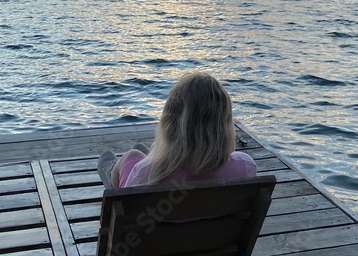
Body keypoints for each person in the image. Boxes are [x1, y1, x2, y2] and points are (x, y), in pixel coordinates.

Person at [98, 71, 257, 188]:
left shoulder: (145, 174)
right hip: (214, 231)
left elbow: (128, 209)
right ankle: (140, 157)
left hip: (154, 229)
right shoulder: (244, 165)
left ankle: (111, 173)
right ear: (224, 125)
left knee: (132, 155)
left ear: (170, 123)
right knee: (140, 154)